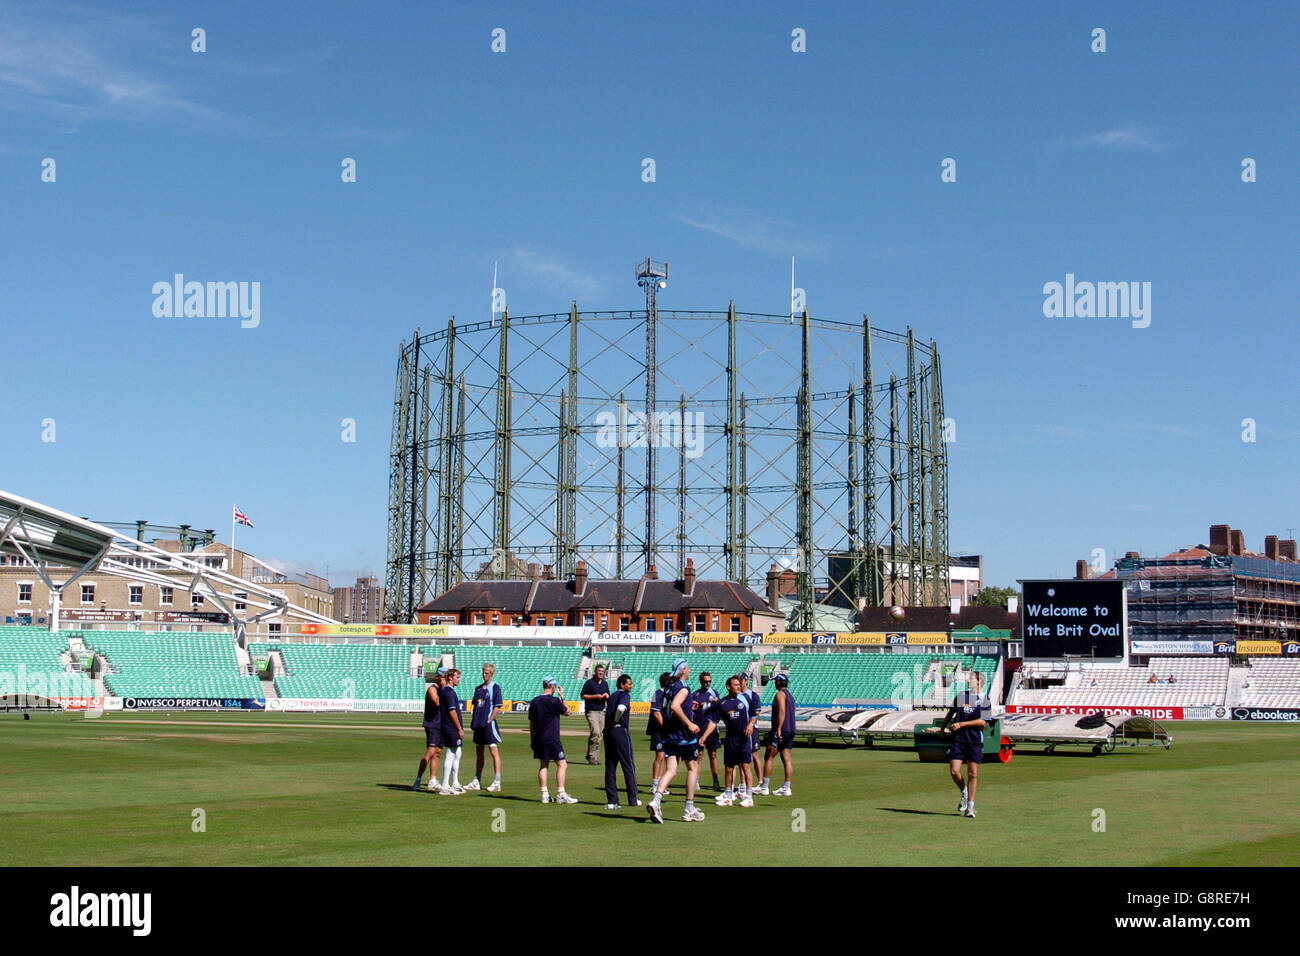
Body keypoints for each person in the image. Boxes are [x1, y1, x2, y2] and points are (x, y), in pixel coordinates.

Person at [928, 670, 993, 818]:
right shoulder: (961, 696)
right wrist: (943, 728)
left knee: (973, 773)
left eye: (970, 678)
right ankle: (964, 791)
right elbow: (951, 713)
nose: (968, 681)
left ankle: (971, 806)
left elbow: (983, 721)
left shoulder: (984, 699)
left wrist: (962, 724)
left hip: (974, 739)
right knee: (954, 771)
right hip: (958, 739)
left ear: (978, 682)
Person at [647, 658, 705, 823]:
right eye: (687, 667)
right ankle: (689, 808)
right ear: (683, 670)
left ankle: (656, 800)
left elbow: (672, 706)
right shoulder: (683, 687)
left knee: (671, 770)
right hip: (683, 735)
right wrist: (690, 723)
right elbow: (675, 707)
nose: (689, 670)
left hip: (669, 735)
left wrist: (688, 707)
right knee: (692, 768)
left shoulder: (669, 687)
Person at [528, 677, 578, 804]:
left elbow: (532, 723)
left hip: (539, 737)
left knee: (543, 765)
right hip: (552, 738)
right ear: (552, 686)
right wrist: (562, 697)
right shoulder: (554, 701)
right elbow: (567, 712)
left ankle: (544, 794)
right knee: (562, 764)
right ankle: (561, 793)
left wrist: (532, 739)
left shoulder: (535, 701)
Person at [714, 675, 756, 807]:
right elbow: (714, 719)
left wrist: (750, 725)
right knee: (728, 768)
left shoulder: (746, 699)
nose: (739, 686)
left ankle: (749, 797)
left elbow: (755, 714)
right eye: (735, 685)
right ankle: (728, 796)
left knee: (745, 767)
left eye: (739, 684)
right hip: (730, 739)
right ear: (728, 687)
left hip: (744, 739)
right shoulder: (722, 703)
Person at [466, 662, 504, 792]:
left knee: (493, 751)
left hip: (488, 725)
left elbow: (497, 706)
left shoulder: (495, 688)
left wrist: (489, 720)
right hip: (478, 725)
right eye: (483, 672)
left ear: (491, 674)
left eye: (486, 673)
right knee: (479, 752)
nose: (484, 675)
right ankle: (477, 779)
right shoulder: (478, 689)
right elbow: (475, 705)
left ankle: (497, 781)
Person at [603, 674, 640, 809]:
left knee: (610, 767)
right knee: (628, 765)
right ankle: (633, 799)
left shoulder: (612, 696)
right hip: (620, 731)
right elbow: (620, 708)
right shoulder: (624, 695)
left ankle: (612, 801)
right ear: (622, 685)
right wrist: (616, 720)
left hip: (608, 733)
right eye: (629, 684)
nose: (631, 686)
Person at [755, 672, 795, 797]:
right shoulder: (791, 696)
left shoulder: (780, 694)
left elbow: (782, 711)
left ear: (778, 682)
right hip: (790, 729)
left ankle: (765, 786)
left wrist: (778, 728)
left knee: (769, 756)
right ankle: (787, 786)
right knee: (786, 759)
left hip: (781, 730)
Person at [690, 671, 723, 791]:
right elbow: (691, 713)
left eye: (709, 681)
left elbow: (719, 711)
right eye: (705, 681)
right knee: (699, 755)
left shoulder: (714, 693)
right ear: (701, 681)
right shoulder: (695, 695)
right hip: (699, 728)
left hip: (712, 729)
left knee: (713, 755)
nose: (707, 683)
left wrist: (716, 704)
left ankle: (716, 781)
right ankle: (696, 781)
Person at [413, 669, 445, 792]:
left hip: (441, 724)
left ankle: (432, 779)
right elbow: (437, 702)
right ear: (437, 677)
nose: (444, 679)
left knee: (438, 753)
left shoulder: (444, 690)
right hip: (432, 724)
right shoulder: (433, 689)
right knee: (430, 751)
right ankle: (418, 779)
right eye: (442, 677)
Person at [438, 668, 466, 794]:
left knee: (457, 753)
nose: (458, 679)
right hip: (450, 727)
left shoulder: (447, 691)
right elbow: (452, 711)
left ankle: (454, 782)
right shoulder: (448, 692)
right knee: (450, 753)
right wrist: (459, 728)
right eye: (457, 677)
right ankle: (445, 784)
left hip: (451, 727)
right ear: (450, 678)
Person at [646, 672, 671, 795]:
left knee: (665, 757)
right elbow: (656, 713)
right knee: (660, 756)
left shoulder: (669, 694)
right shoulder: (657, 694)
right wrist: (665, 727)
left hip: (666, 731)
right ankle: (655, 784)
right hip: (658, 730)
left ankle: (661, 783)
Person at [581, 663, 611, 765]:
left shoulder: (605, 684)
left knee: (599, 735)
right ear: (595, 672)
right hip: (591, 710)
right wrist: (595, 696)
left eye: (602, 672)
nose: (601, 673)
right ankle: (591, 755)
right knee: (596, 732)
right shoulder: (589, 683)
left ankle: (593, 756)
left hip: (601, 711)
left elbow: (608, 695)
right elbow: (583, 695)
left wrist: (607, 696)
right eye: (599, 672)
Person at [739, 674, 762, 787]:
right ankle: (743, 783)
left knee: (754, 754)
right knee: (741, 757)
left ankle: (761, 781)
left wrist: (750, 724)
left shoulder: (752, 695)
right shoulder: (736, 696)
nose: (740, 682)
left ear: (746, 681)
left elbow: (757, 712)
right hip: (740, 729)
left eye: (741, 680)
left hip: (752, 728)